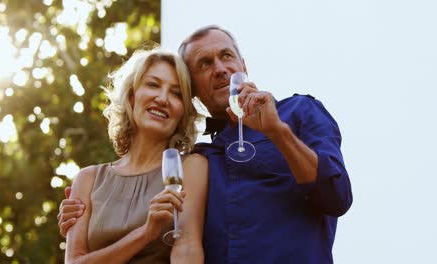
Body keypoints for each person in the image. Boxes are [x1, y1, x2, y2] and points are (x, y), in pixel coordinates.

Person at [59, 25, 353, 264]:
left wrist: (277, 132)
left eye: (227, 56)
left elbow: (336, 197)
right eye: (205, 63)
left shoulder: (299, 112)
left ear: (243, 66)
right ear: (195, 91)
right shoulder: (204, 157)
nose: (220, 68)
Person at [62, 48, 207, 264]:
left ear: (183, 111)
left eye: (176, 93)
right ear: (132, 96)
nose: (162, 98)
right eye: (153, 85)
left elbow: (187, 249)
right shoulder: (88, 179)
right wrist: (147, 232)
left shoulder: (191, 167)